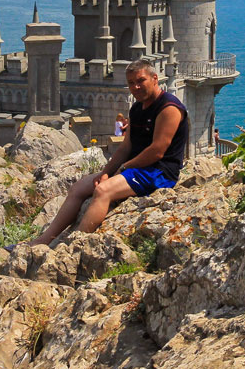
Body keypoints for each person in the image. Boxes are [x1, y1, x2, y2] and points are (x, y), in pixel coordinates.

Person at [28, 59, 187, 246]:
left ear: (155, 79)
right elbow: (125, 147)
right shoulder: (137, 108)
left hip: (159, 172)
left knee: (103, 191)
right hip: (135, 169)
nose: (135, 87)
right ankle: (43, 240)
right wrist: (105, 172)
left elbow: (157, 151)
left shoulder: (169, 108)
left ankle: (74, 244)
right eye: (131, 83)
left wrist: (124, 168)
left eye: (141, 81)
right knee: (79, 188)